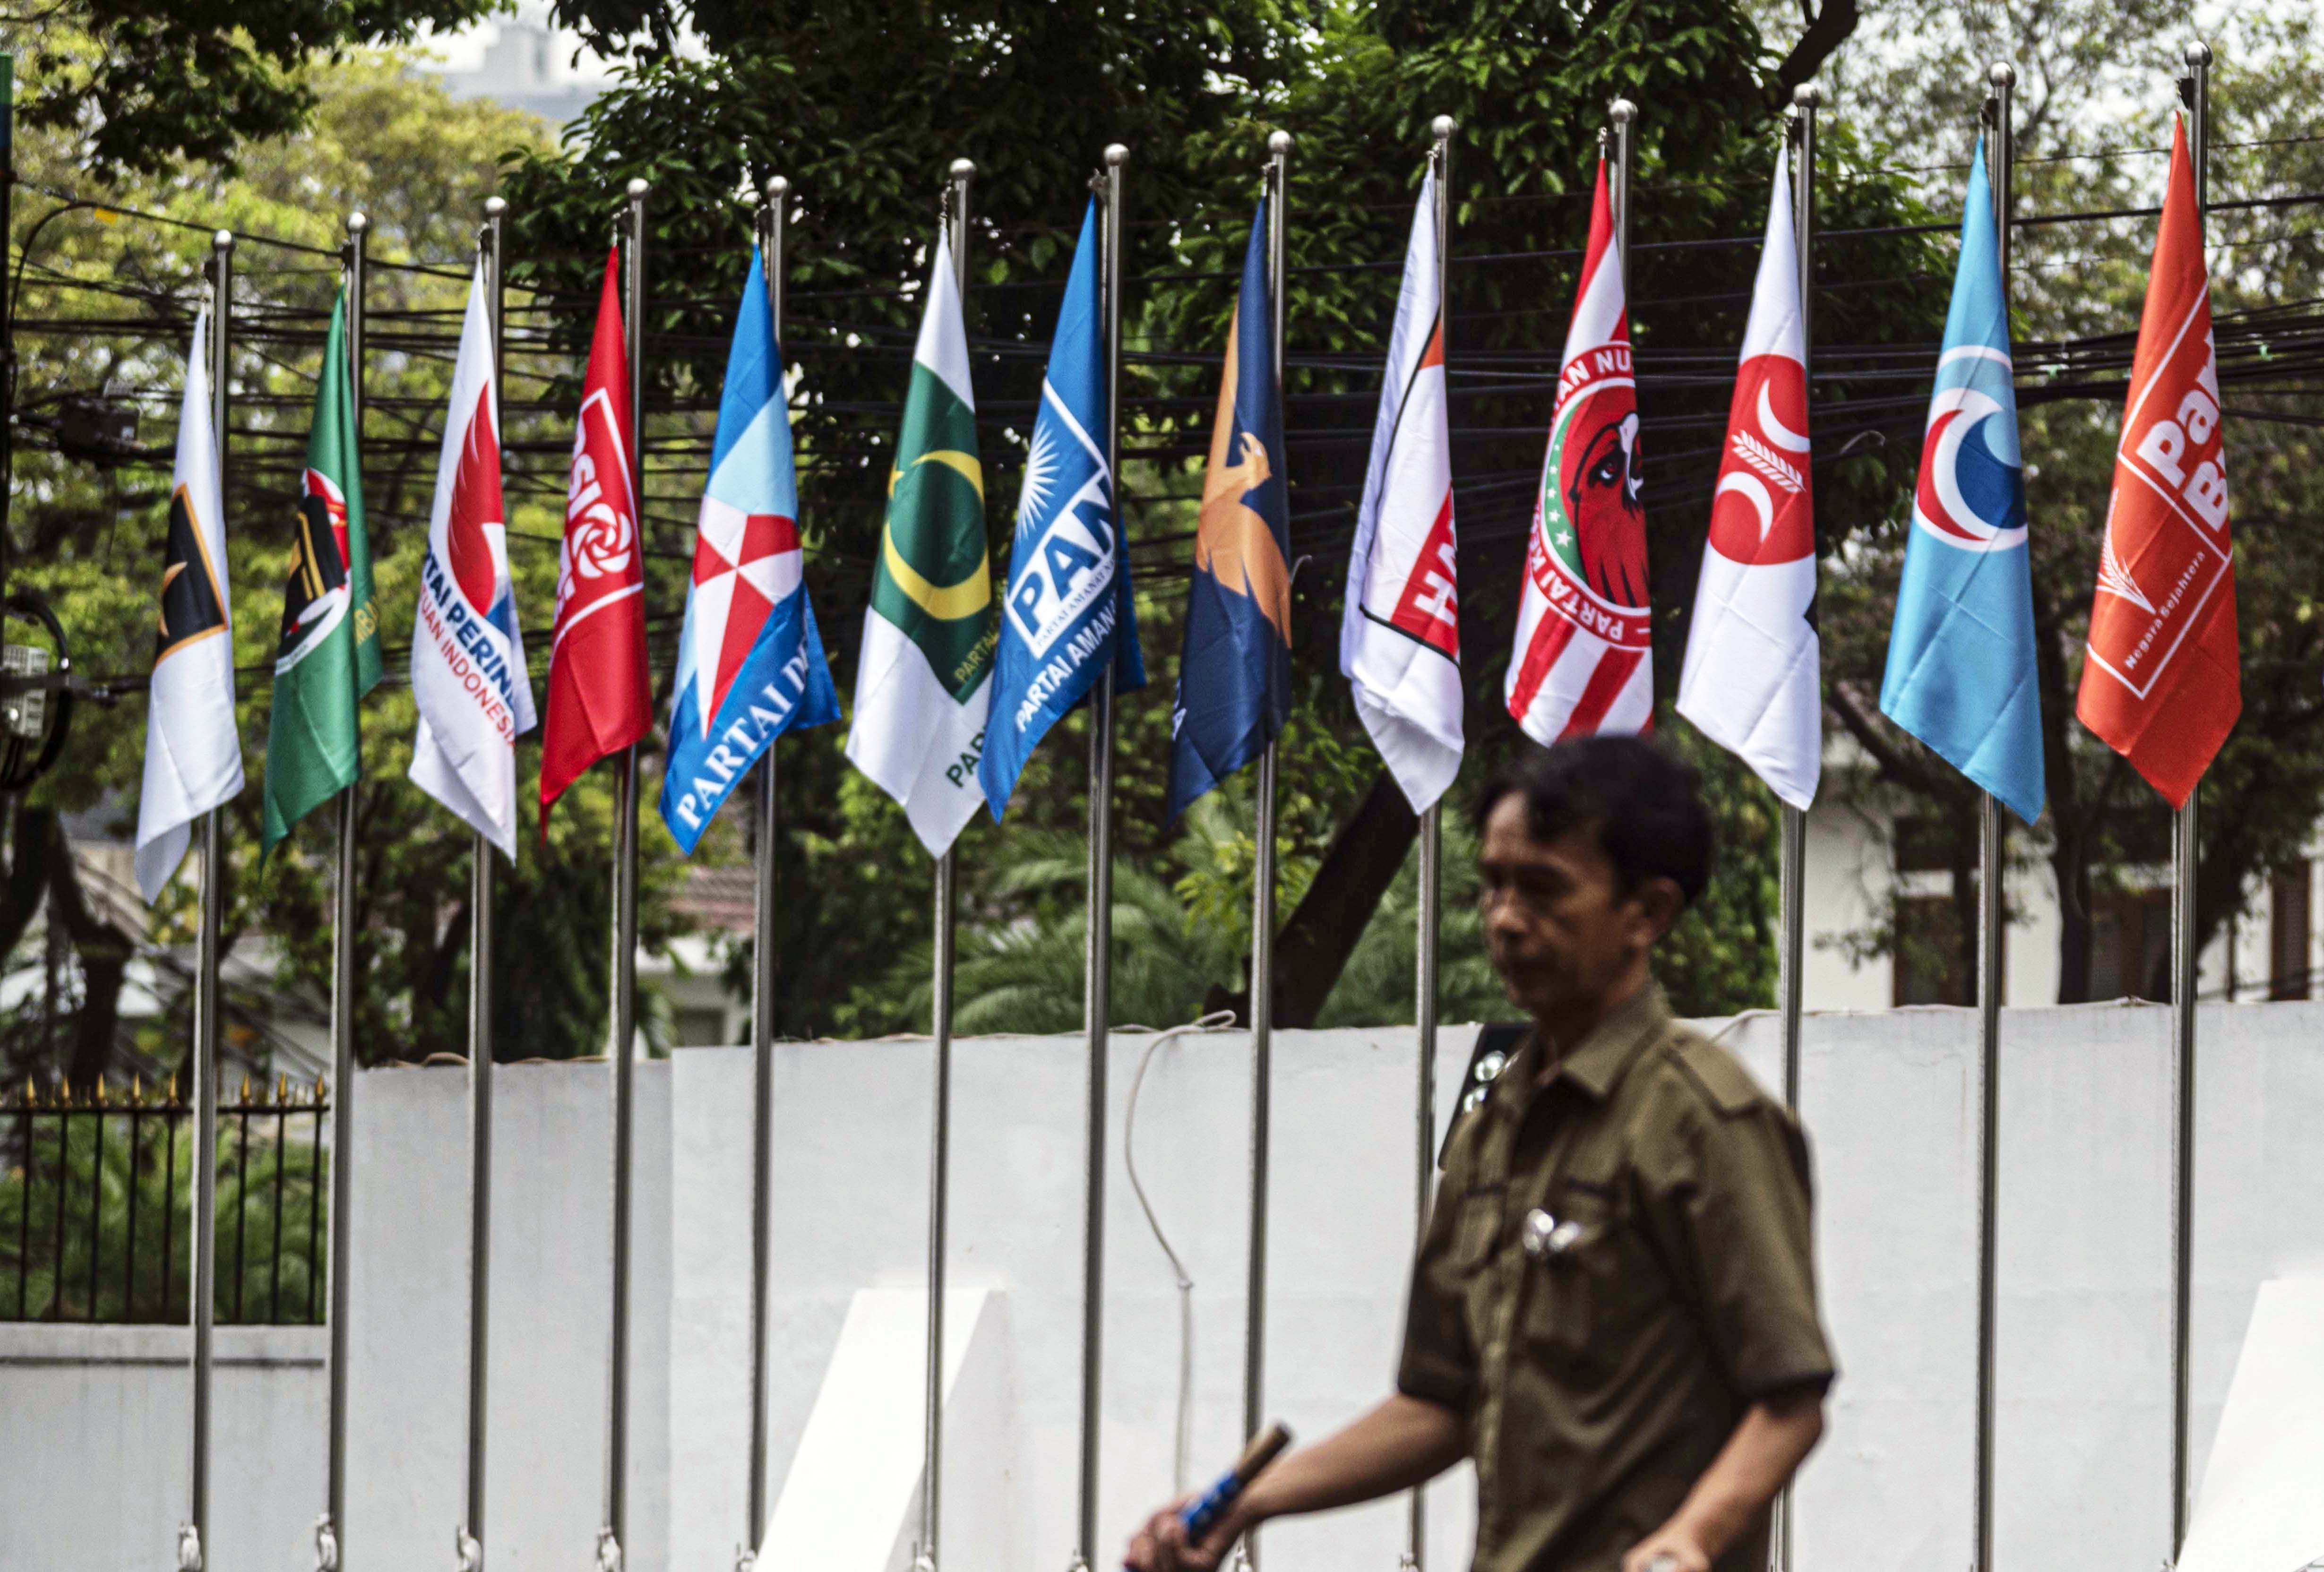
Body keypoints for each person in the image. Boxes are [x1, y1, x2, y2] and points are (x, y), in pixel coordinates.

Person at [1126, 737, 1835, 1572]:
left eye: (1542, 889)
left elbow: (1790, 1399)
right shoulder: (1492, 1123)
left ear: (1646, 914)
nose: (1503, 918)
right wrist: (1247, 1503)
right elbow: (1440, 1405)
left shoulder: (1705, 1118)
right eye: (1493, 885)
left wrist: (1691, 1541)